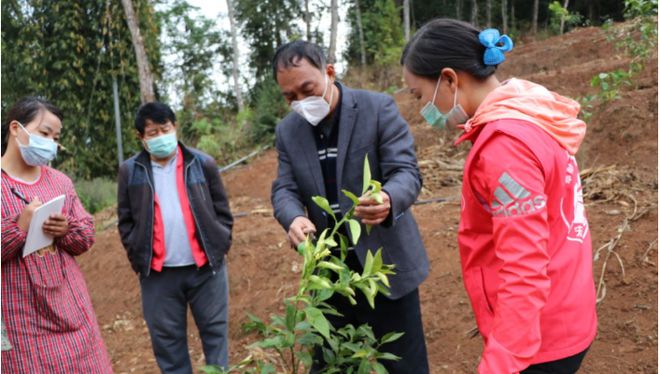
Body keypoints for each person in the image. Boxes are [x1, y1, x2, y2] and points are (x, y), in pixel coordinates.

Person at [401, 19, 597, 373]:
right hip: (566, 309)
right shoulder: (532, 113)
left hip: (538, 340)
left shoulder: (506, 146)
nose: (422, 111)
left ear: (448, 78)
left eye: (419, 95)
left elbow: (524, 267)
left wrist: (501, 361)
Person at [271, 40, 430, 373]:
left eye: (307, 89)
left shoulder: (377, 109)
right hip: (329, 274)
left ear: (329, 72)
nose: (301, 102)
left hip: (383, 266)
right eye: (290, 97)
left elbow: (406, 171)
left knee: (404, 363)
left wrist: (388, 199)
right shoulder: (288, 131)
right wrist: (294, 217)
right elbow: (284, 187)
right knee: (332, 363)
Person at [117, 102, 233, 373]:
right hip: (158, 274)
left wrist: (221, 241)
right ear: (141, 138)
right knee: (168, 345)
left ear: (175, 127)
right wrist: (137, 253)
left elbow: (223, 211)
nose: (160, 137)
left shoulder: (203, 163)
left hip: (206, 270)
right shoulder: (130, 171)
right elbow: (125, 221)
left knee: (216, 337)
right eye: (152, 133)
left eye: (165, 129)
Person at [1, 96, 112, 373]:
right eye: (44, 133)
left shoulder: (59, 181)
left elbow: (86, 233)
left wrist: (66, 230)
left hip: (71, 310)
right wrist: (19, 226)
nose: (50, 142)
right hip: (19, 319)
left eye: (55, 136)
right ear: (16, 128)